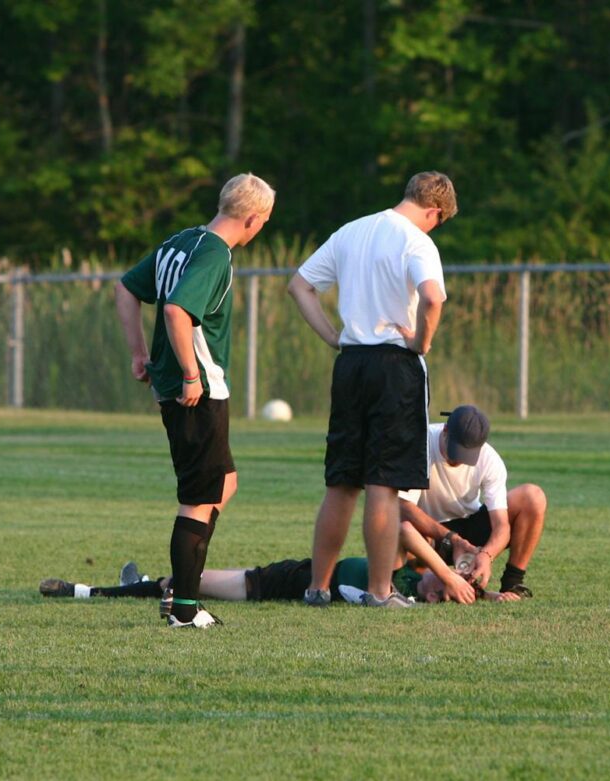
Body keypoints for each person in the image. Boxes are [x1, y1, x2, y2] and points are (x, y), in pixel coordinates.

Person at [287, 171, 457, 608]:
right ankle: (380, 593)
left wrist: (332, 336)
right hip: (394, 368)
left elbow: (300, 285)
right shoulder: (417, 242)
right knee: (383, 484)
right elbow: (434, 297)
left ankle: (317, 586)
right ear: (434, 211)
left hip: (351, 365)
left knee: (342, 482)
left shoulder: (352, 231)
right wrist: (422, 341)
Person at [114, 173, 275, 629]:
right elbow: (175, 310)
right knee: (199, 497)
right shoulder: (215, 254)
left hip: (179, 382)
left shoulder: (182, 241)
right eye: (263, 220)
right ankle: (183, 607)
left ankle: (185, 584)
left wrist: (139, 355)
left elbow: (125, 288)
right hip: (196, 389)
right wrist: (189, 373)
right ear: (251, 219)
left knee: (223, 483)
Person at [38, 522, 492, 607]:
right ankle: (99, 590)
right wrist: (454, 561)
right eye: (443, 588)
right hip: (295, 575)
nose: (440, 594)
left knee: (181, 583)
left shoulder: (410, 592)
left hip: (292, 586)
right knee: (181, 582)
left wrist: (479, 590)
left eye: (445, 598)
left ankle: (97, 590)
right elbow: (403, 530)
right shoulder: (402, 569)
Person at [399, 404, 547, 598]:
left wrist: (486, 555)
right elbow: (403, 507)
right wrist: (451, 539)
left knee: (533, 497)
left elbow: (501, 526)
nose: (459, 460)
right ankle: (427, 582)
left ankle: (512, 583)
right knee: (403, 528)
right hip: (429, 533)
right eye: (455, 451)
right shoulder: (420, 446)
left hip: (469, 531)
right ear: (445, 431)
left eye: (467, 455)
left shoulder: (489, 459)